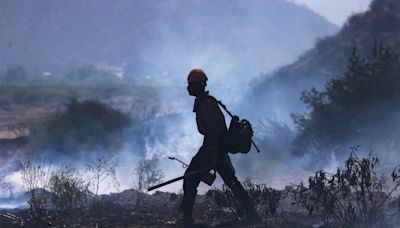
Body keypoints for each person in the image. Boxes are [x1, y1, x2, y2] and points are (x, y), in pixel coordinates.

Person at [178, 68, 259, 227]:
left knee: (190, 178)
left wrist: (214, 155)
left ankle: (186, 218)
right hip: (214, 146)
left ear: (199, 85)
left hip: (212, 146)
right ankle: (252, 214)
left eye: (191, 85)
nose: (188, 88)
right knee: (230, 180)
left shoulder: (206, 103)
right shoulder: (204, 101)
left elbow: (214, 132)